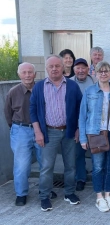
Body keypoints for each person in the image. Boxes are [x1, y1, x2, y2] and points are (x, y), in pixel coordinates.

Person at [30, 55, 82, 211]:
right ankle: (44, 196)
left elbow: (81, 109)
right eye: (51, 66)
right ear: (46, 68)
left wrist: (79, 129)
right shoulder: (39, 87)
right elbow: (32, 110)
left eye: (57, 66)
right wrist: (38, 132)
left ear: (63, 67)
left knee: (70, 165)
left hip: (69, 131)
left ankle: (69, 193)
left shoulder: (72, 86)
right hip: (49, 132)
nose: (54, 69)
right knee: (46, 166)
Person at [79, 60, 110, 212]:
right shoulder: (90, 91)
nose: (104, 73)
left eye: (106, 71)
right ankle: (99, 197)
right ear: (95, 73)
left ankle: (108, 195)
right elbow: (82, 116)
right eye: (100, 71)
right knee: (98, 167)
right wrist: (82, 137)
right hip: (96, 134)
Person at [4, 63, 41, 206]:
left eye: (30, 72)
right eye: (24, 72)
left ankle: (45, 190)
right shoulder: (13, 92)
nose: (27, 75)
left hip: (40, 130)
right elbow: (8, 113)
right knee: (21, 165)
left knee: (45, 162)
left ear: (35, 74)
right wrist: (15, 128)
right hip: (21, 130)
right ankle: (21, 193)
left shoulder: (41, 89)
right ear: (19, 75)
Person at [69, 58, 96, 191]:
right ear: (74, 69)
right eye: (78, 68)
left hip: (94, 124)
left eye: (83, 68)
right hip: (77, 125)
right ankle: (80, 178)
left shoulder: (94, 81)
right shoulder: (68, 83)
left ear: (88, 69)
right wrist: (78, 127)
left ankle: (98, 178)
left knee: (97, 151)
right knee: (79, 153)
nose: (81, 70)